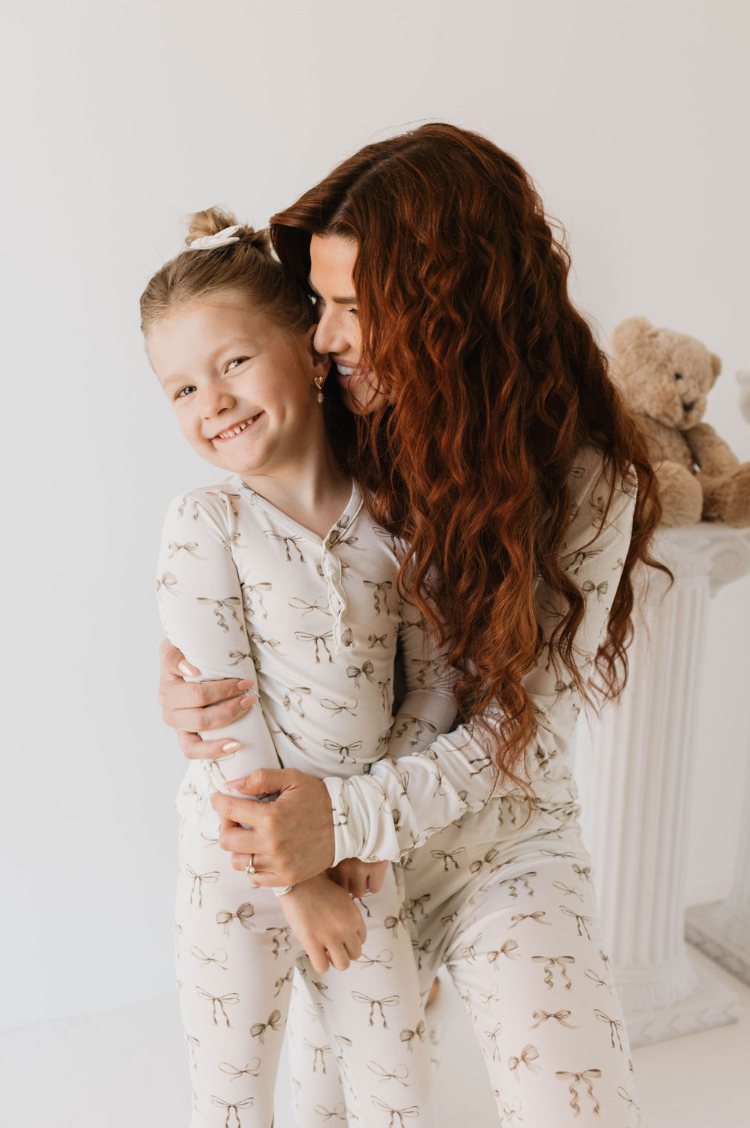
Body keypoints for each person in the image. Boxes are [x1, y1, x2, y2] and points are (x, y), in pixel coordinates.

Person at [159, 123, 666, 1126]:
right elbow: (236, 561)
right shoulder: (343, 409)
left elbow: (519, 730)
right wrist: (179, 673)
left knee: (585, 1109)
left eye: (355, 307)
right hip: (335, 856)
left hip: (495, 844)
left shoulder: (588, 482)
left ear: (452, 308)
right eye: (322, 304)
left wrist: (337, 823)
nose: (326, 338)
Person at [145, 208, 460, 1127]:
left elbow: (435, 681)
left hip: (362, 862)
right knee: (233, 1097)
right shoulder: (205, 526)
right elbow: (225, 715)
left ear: (313, 349)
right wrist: (297, 884)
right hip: (235, 868)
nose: (212, 401)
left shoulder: (399, 519)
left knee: (390, 1089)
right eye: (181, 388)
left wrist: (360, 843)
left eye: (233, 362)